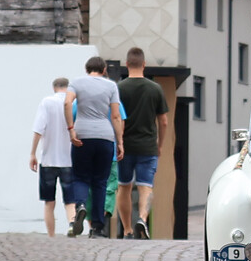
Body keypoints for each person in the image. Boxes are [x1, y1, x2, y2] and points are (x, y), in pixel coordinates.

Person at [67, 56, 124, 238]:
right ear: (104, 69)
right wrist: (119, 141)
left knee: (80, 177)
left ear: (87, 69)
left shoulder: (77, 83)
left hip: (82, 135)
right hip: (105, 137)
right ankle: (98, 228)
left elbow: (67, 103)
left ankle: (81, 205)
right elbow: (116, 116)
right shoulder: (111, 86)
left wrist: (71, 129)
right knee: (100, 182)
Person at [116, 46, 168, 240]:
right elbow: (163, 121)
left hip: (124, 147)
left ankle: (127, 230)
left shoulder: (118, 88)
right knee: (146, 186)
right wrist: (160, 144)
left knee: (124, 187)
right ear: (144, 64)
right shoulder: (155, 89)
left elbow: (115, 117)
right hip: (147, 146)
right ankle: (142, 219)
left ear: (127, 64)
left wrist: (117, 141)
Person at [29, 77, 77, 237]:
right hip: (69, 159)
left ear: (54, 88)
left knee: (49, 202)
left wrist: (32, 153)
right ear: (68, 88)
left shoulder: (47, 102)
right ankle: (72, 225)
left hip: (48, 159)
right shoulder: (73, 102)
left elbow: (38, 129)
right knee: (70, 201)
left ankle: (51, 235)